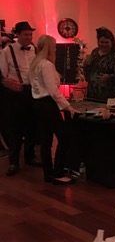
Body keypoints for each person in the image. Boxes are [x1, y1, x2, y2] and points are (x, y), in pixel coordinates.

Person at [29, 35, 77, 185]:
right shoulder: (46, 65)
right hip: (47, 105)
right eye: (54, 47)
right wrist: (68, 107)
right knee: (64, 137)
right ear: (49, 48)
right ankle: (58, 172)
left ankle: (48, 174)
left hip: (37, 104)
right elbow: (53, 91)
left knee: (46, 140)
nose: (56, 50)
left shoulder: (35, 63)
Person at [0, 21, 41, 176]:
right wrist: (6, 82)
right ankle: (13, 162)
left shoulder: (35, 49)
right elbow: (2, 74)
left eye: (30, 34)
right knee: (15, 129)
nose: (29, 37)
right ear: (17, 35)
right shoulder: (7, 51)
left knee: (32, 126)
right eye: (26, 34)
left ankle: (30, 157)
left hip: (32, 91)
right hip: (15, 94)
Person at [84, 27, 115, 101]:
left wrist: (109, 77)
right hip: (92, 93)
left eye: (106, 42)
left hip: (109, 94)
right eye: (101, 42)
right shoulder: (94, 52)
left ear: (111, 42)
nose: (104, 45)